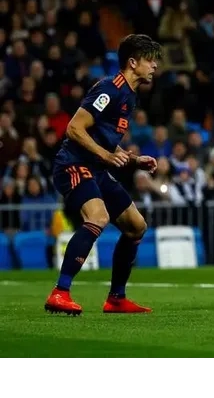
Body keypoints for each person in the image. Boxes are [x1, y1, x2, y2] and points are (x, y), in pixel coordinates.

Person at [45, 34, 162, 315]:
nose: (155, 66)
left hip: (96, 168)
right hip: (73, 164)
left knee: (136, 226)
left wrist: (133, 160)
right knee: (98, 217)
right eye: (150, 60)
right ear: (132, 63)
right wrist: (106, 156)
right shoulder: (110, 89)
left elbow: (105, 139)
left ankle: (116, 298)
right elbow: (74, 128)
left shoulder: (129, 96)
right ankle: (60, 292)